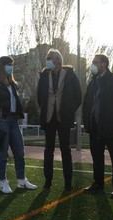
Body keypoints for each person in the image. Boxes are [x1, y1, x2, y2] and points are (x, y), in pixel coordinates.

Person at [0, 56, 37, 194]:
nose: (11, 67)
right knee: (2, 153)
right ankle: (3, 182)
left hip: (13, 121)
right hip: (0, 121)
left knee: (19, 152)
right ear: (1, 66)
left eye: (12, 64)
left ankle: (22, 181)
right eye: (9, 64)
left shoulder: (12, 82)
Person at [82, 54, 113, 198]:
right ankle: (98, 184)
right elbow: (87, 105)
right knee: (97, 158)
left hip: (111, 128)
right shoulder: (92, 83)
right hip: (95, 128)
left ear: (104, 64)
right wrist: (87, 123)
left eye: (95, 62)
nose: (93, 65)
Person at [37, 49, 82, 191]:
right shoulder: (44, 75)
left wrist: (68, 110)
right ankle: (48, 181)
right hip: (49, 118)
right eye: (48, 58)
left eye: (51, 58)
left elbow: (78, 96)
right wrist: (44, 109)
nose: (49, 60)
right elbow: (39, 95)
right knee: (48, 150)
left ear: (58, 60)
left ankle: (68, 182)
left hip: (63, 118)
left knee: (65, 150)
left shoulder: (70, 74)